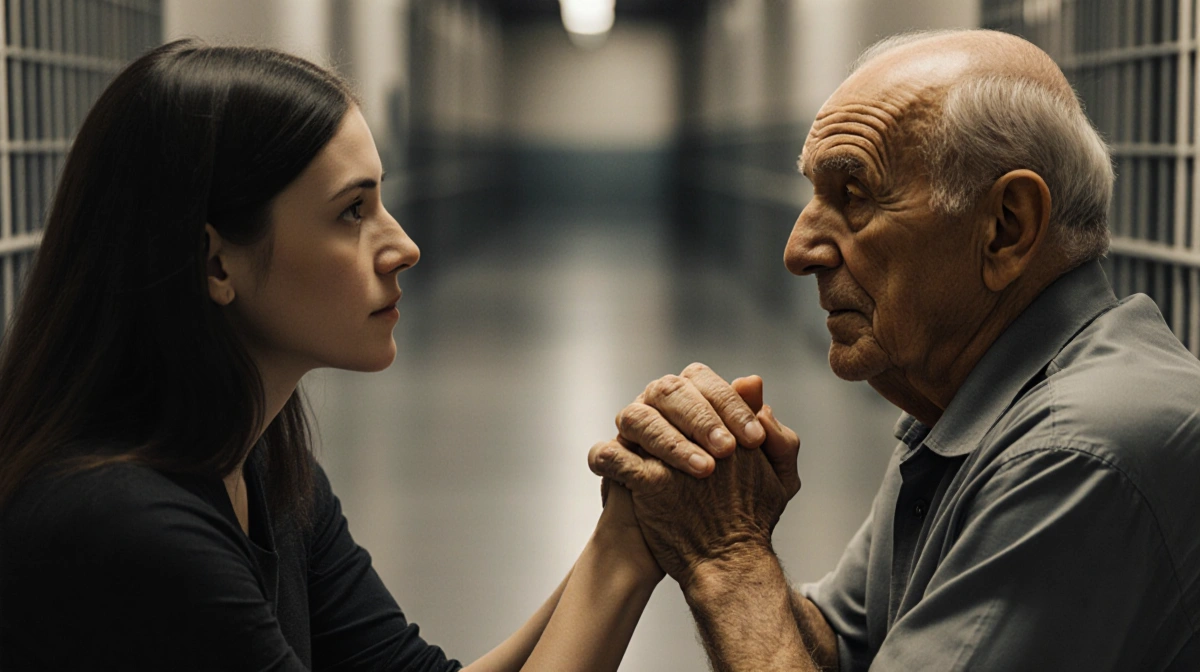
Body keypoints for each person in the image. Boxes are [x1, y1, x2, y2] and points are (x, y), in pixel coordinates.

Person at [0, 39, 664, 671]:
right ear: (214, 262)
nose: (403, 246)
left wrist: (625, 532)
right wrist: (624, 554)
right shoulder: (130, 532)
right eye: (353, 212)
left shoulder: (268, 468)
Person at [589, 28, 1200, 670]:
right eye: (814, 195)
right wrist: (706, 515)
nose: (799, 251)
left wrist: (729, 556)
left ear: (1006, 227)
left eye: (853, 197)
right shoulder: (967, 400)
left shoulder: (1077, 453)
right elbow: (842, 645)